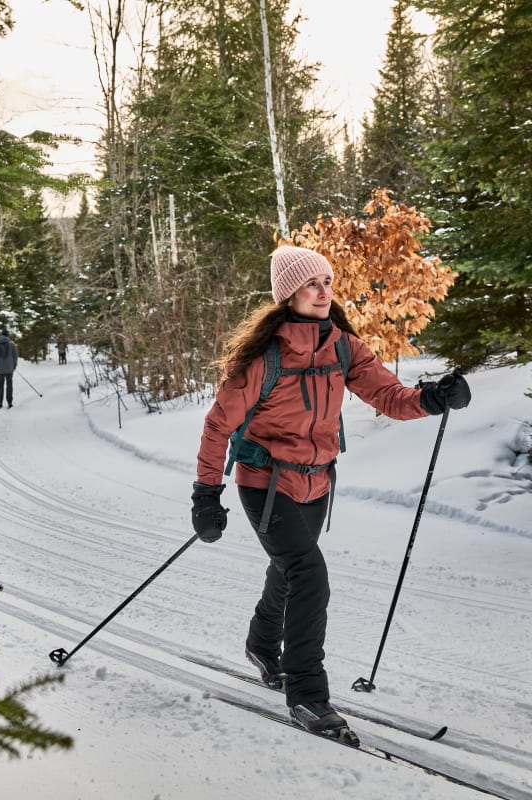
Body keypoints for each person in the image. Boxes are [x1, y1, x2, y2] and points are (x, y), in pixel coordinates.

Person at [192, 245, 471, 737]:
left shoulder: (343, 345)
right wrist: (206, 495)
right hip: (265, 484)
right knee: (309, 574)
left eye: (327, 282)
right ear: (289, 296)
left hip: (318, 482)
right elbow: (218, 427)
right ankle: (307, 696)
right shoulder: (266, 357)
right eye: (311, 284)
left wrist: (431, 398)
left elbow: (389, 395)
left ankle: (261, 644)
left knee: (291, 569)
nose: (324, 292)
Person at [0, 328, 18, 409]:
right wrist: (14, 365)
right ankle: (9, 402)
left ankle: (0, 402)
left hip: (0, 368)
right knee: (9, 385)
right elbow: (15, 356)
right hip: (9, 368)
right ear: (7, 335)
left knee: (0, 385)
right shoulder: (12, 345)